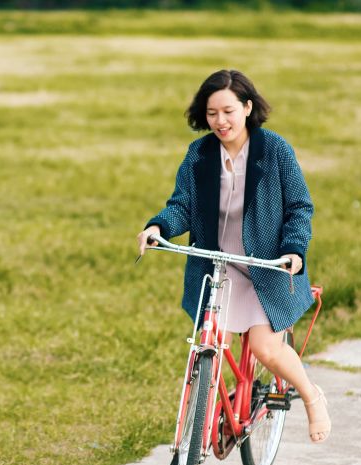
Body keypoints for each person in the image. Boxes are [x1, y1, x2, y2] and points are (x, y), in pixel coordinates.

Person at [136, 69, 330, 443]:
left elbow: (299, 207)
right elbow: (182, 205)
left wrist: (293, 249)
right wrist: (159, 227)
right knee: (208, 340)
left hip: (265, 266)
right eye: (211, 113)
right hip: (216, 265)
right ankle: (192, 437)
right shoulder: (199, 154)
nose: (220, 121)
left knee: (264, 347)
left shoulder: (275, 150)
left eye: (228, 111)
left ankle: (311, 395)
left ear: (247, 107)